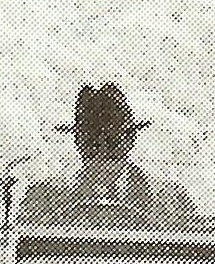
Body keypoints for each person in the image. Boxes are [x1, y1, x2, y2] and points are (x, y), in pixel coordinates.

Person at [19, 82, 197, 227]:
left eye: (112, 144)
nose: (101, 156)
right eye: (92, 144)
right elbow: (22, 260)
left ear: (131, 140)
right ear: (77, 142)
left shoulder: (172, 201)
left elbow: (200, 261)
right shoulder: (44, 199)